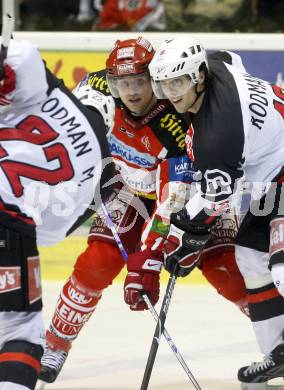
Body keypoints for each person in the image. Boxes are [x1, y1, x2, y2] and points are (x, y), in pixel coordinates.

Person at [145, 36, 284, 390]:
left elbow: (214, 200)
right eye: (163, 83)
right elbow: (233, 57)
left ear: (198, 76)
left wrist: (186, 234)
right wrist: (188, 230)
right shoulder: (217, 65)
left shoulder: (216, 134)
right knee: (251, 255)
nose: (170, 92)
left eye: (178, 82)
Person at [37, 36, 249, 386]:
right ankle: (54, 344)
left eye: (139, 81)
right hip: (129, 187)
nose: (131, 92)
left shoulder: (176, 119)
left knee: (224, 270)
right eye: (122, 83)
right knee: (97, 263)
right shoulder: (97, 87)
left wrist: (150, 257)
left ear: (155, 78)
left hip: (196, 192)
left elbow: (173, 199)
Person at [0, 38, 114, 390]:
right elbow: (48, 235)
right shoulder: (101, 169)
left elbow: (21, 55)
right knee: (20, 332)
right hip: (11, 225)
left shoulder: (40, 88)